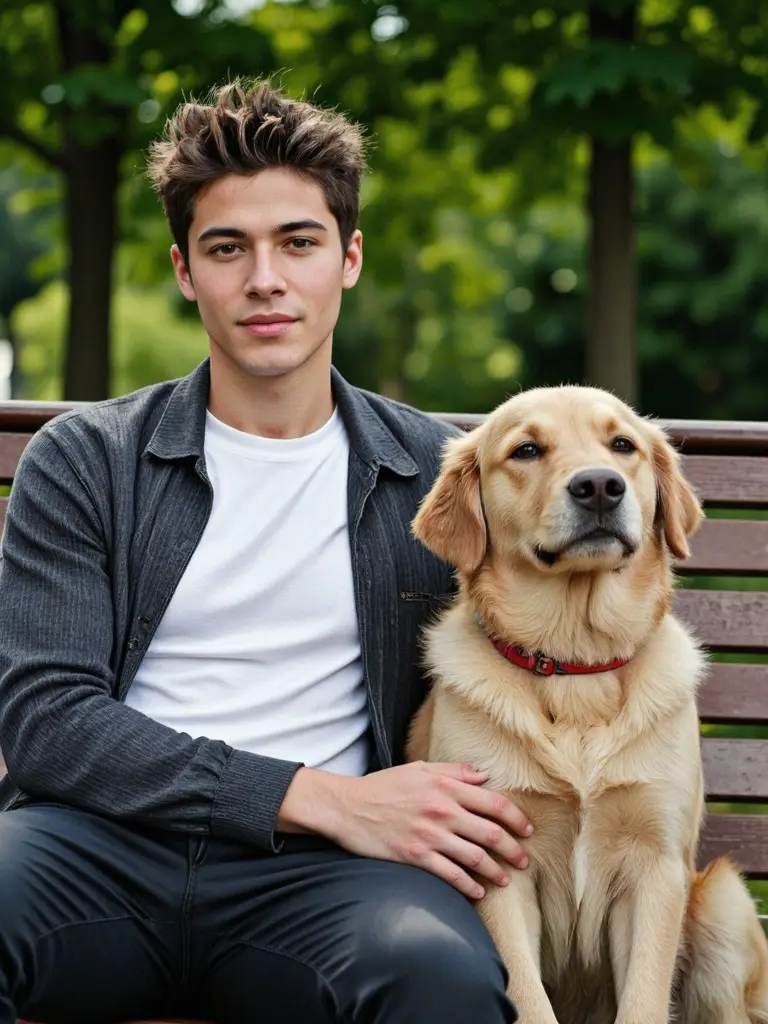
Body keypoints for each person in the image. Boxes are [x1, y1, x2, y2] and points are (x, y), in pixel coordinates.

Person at [0, 80, 531, 1024]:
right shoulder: (88, 461)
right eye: (226, 248)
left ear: (349, 257)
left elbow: (549, 640)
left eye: (298, 242)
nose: (265, 279)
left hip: (332, 882)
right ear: (182, 270)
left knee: (437, 978)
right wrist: (318, 795)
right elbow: (49, 721)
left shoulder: (434, 475)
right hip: (96, 848)